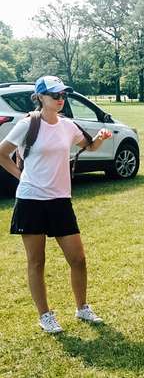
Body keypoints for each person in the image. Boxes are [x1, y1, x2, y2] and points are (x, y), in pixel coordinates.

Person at [0, 76, 112, 333]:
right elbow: (2, 153)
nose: (60, 98)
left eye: (63, 94)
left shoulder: (69, 126)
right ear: (40, 97)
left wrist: (101, 138)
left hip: (60, 200)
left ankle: (82, 308)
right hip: (31, 201)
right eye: (54, 94)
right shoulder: (28, 124)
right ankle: (45, 315)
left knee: (78, 259)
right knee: (36, 262)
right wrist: (22, 177)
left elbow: (90, 146)